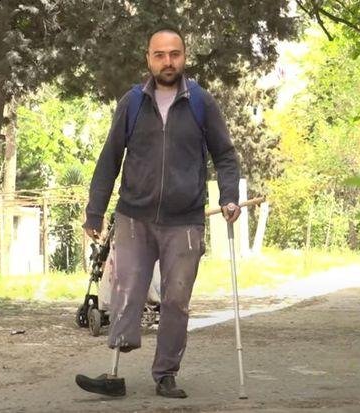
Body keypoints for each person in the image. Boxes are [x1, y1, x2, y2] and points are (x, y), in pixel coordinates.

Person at [75, 26, 241, 398]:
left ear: (184, 57)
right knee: (126, 290)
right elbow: (109, 158)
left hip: (185, 221)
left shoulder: (201, 102)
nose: (168, 62)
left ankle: (165, 374)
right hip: (135, 216)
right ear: (148, 59)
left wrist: (229, 197)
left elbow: (225, 156)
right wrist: (94, 212)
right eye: (160, 55)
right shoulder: (132, 103)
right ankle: (114, 371)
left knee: (176, 300)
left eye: (174, 54)